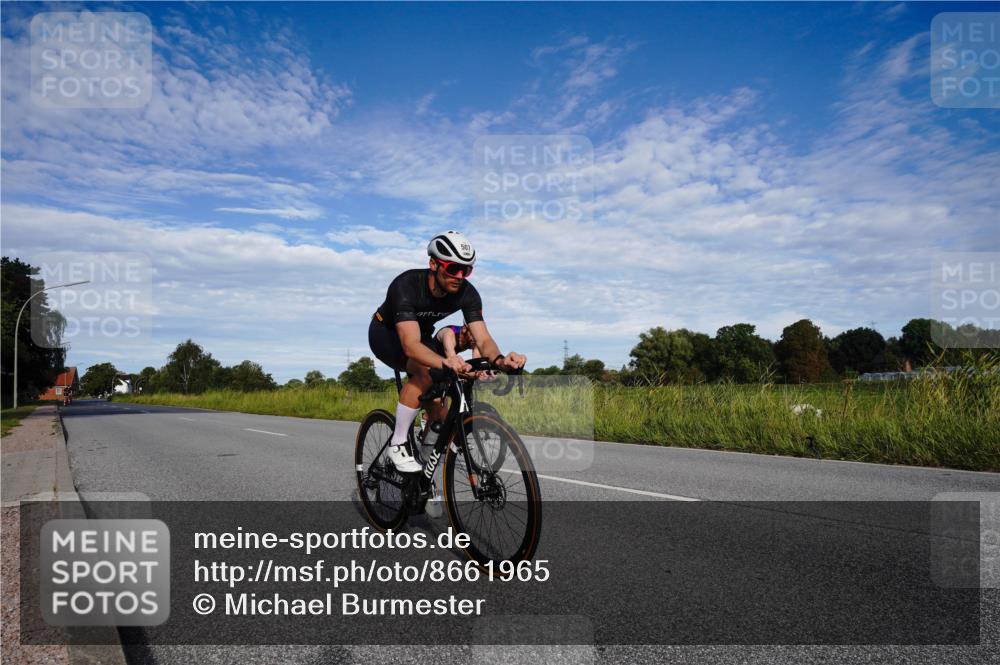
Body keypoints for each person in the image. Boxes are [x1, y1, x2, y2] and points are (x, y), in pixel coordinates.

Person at [369, 231, 526, 472]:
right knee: (424, 371)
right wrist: (446, 361)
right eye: (453, 268)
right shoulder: (406, 285)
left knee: (441, 407)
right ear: (433, 264)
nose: (460, 276)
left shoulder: (467, 293)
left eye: (467, 270)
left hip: (421, 335)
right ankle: (398, 442)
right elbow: (410, 345)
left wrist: (501, 361)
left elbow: (483, 339)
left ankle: (425, 471)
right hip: (386, 334)